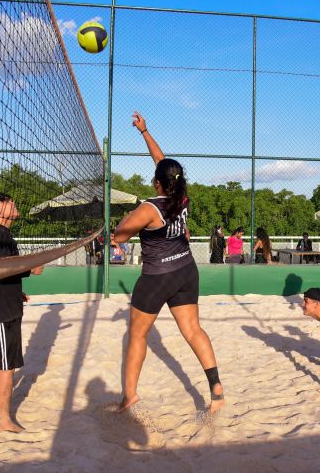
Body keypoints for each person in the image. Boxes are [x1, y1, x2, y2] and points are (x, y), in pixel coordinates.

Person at [114, 111, 224, 414]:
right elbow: (163, 164)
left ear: (157, 183)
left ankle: (130, 396)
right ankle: (215, 385)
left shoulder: (150, 208)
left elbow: (120, 236)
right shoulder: (182, 197)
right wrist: (145, 132)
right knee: (192, 330)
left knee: (136, 335)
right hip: (186, 271)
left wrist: (114, 232)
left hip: (157, 277)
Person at [0, 192, 43, 432]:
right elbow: (3, 268)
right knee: (6, 365)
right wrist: (31, 266)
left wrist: (16, 291)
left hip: (3, 301)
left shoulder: (1, 233)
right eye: (7, 201)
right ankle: (3, 420)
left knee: (0, 359)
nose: (14, 202)